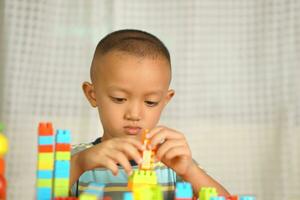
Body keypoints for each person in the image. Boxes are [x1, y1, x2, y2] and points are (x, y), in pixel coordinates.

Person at [70, 29, 229, 198]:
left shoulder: (174, 163)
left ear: (165, 100)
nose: (134, 114)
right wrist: (79, 165)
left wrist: (190, 170)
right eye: (119, 99)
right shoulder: (76, 160)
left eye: (150, 102)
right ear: (92, 95)